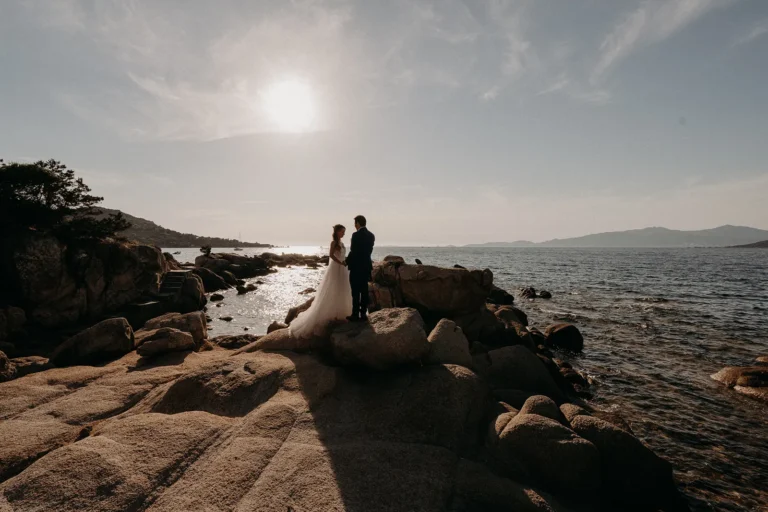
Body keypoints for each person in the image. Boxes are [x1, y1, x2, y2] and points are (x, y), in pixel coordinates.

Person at [289, 224, 353, 338]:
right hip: (336, 267)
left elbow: (343, 255)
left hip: (343, 268)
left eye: (344, 231)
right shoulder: (334, 243)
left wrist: (346, 262)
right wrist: (340, 263)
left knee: (342, 289)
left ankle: (341, 313)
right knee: (333, 289)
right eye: (342, 231)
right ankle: (331, 314)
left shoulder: (342, 243)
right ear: (337, 231)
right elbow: (331, 256)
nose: (344, 233)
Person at [345, 215, 375, 322]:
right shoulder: (371, 235)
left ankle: (355, 314)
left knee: (355, 292)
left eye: (355, 223)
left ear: (357, 223)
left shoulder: (355, 235)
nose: (354, 226)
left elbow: (353, 251)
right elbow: (369, 251)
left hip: (356, 267)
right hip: (366, 266)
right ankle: (363, 314)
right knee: (364, 291)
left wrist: (346, 261)